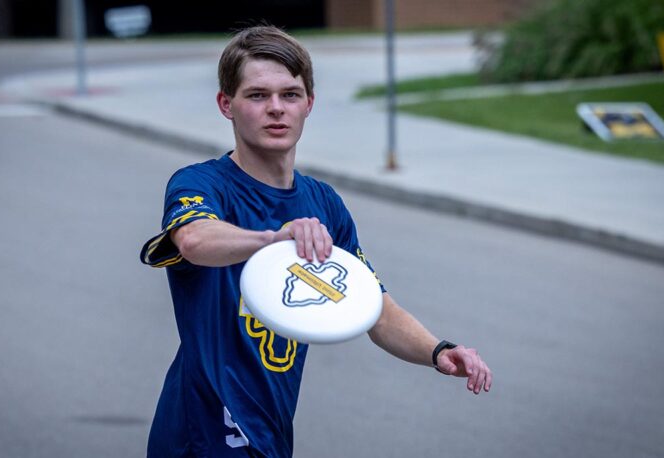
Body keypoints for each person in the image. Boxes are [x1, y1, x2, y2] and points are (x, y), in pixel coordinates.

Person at [140, 25, 492, 458]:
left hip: (271, 434)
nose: (276, 109)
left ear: (309, 103)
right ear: (225, 105)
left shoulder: (323, 203)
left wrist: (437, 350)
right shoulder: (201, 183)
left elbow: (373, 308)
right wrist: (273, 239)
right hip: (203, 435)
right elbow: (194, 239)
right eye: (257, 95)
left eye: (289, 95)